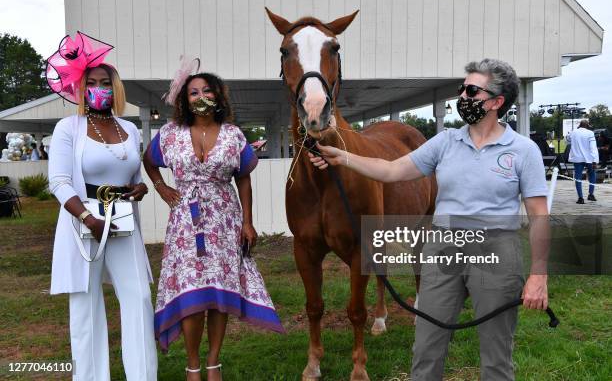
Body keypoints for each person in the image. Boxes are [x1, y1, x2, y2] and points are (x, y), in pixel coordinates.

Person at [309, 58, 549, 381]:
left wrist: (538, 275)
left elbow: (539, 215)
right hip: (443, 247)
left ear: (496, 102)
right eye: (462, 89)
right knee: (425, 350)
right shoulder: (446, 142)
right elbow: (392, 170)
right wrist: (344, 158)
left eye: (472, 90)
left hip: (496, 249)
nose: (462, 96)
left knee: (496, 356)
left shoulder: (524, 151)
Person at [143, 59, 284, 381]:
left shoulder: (234, 135)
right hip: (185, 223)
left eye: (207, 90)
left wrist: (248, 222)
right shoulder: (169, 134)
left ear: (218, 97)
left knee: (219, 293)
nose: (200, 96)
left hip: (224, 218)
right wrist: (162, 186)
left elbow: (243, 178)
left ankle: (213, 363)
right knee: (193, 292)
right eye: (193, 92)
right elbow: (148, 161)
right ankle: (192, 365)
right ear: (184, 99)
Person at [46, 32, 157, 380]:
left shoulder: (130, 128)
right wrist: (87, 217)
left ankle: (143, 375)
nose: (99, 88)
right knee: (86, 304)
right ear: (80, 88)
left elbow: (134, 173)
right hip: (85, 221)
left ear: (115, 87)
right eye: (91, 82)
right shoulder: (69, 128)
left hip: (123, 219)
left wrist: (139, 188)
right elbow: (59, 182)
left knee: (138, 297)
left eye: (104, 82)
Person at [567, 120, 599, 203]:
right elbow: (593, 147)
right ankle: (591, 194)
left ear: (579, 125)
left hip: (577, 158)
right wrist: (595, 160)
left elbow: (567, 140)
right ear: (587, 126)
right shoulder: (590, 133)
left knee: (578, 177)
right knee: (592, 175)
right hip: (589, 158)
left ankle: (580, 198)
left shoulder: (573, 132)